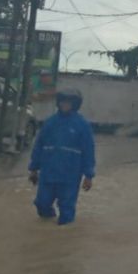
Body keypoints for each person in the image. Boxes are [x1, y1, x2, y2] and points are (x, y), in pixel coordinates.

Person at [28, 89, 95, 226]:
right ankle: (47, 236)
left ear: (75, 104)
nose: (65, 105)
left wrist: (88, 176)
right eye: (63, 102)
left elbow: (88, 151)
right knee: (42, 203)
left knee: (66, 211)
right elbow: (39, 146)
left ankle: (64, 239)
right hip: (48, 173)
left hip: (70, 176)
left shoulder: (82, 125)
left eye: (69, 102)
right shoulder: (50, 123)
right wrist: (33, 169)